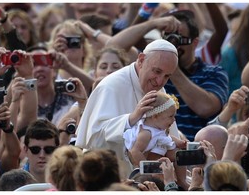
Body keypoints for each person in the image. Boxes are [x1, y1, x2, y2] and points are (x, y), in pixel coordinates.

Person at [75, 39, 180, 178]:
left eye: (167, 76)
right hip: (107, 177)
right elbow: (94, 139)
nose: (160, 81)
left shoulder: (160, 91)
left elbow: (167, 136)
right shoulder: (111, 86)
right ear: (141, 60)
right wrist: (131, 118)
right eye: (157, 71)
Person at [163, 9, 229, 141]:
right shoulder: (156, 72)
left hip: (199, 150)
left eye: (179, 38)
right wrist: (151, 24)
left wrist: (171, 64)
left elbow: (206, 108)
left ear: (195, 43)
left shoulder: (214, 73)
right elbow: (115, 47)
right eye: (169, 37)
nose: (174, 43)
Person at [123, 92, 179, 167]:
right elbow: (134, 151)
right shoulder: (146, 133)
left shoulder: (158, 128)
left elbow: (168, 137)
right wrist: (149, 168)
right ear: (155, 116)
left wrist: (180, 142)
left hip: (161, 161)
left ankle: (181, 179)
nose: (174, 120)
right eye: (170, 116)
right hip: (151, 166)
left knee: (178, 158)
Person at [22, 119, 60, 183]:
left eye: (48, 150)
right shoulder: (14, 182)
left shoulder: (67, 183)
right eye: (35, 150)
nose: (42, 155)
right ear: (25, 150)